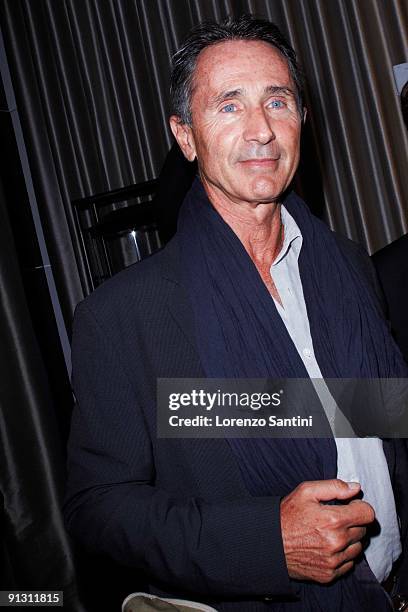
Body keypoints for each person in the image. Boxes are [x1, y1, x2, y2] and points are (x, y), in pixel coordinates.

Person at [64, 15, 408, 610]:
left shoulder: (348, 266)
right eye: (229, 105)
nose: (262, 132)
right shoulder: (124, 316)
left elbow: (372, 419)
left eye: (278, 101)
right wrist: (265, 542)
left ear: (301, 119)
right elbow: (99, 506)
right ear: (186, 135)